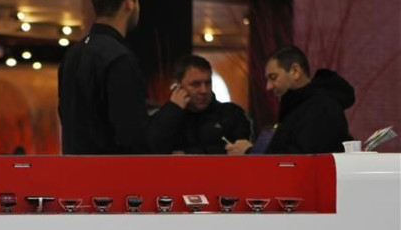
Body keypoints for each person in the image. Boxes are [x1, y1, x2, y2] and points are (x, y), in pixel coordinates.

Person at [58, 0, 161, 154]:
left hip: (73, 174)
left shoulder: (72, 54)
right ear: (129, 3)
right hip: (109, 176)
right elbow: (131, 133)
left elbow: (66, 118)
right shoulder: (119, 58)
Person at [226, 45, 354, 155]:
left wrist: (250, 151)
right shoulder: (300, 106)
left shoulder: (321, 107)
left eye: (273, 77)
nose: (268, 86)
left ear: (295, 71)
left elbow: (298, 160)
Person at [151, 55, 252, 154]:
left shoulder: (231, 114)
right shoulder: (164, 117)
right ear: (177, 86)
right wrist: (173, 111)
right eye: (195, 84)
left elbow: (240, 150)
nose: (204, 90)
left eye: (208, 83)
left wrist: (187, 154)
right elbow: (152, 150)